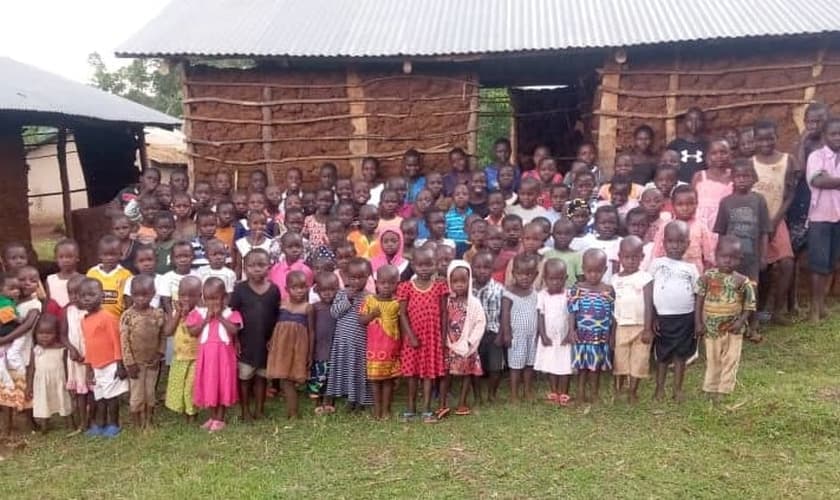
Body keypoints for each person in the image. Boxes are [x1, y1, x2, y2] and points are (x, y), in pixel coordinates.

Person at [714, 162, 771, 340]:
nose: (742, 180)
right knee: (731, 290)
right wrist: (719, 256)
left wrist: (764, 256)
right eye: (738, 176)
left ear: (754, 178)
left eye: (746, 176)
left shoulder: (759, 200)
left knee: (751, 290)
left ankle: (753, 325)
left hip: (752, 257)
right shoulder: (726, 202)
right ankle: (730, 324)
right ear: (732, 178)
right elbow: (721, 233)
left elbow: (765, 231)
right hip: (730, 259)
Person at [695, 236, 756, 401]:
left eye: (733, 257)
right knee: (713, 358)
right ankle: (710, 387)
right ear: (716, 255)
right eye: (724, 256)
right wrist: (698, 322)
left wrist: (741, 322)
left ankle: (724, 389)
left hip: (733, 328)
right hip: (711, 328)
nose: (728, 260)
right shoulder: (707, 277)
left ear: (740, 259)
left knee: (731, 358)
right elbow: (699, 300)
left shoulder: (742, 281)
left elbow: (749, 305)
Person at [751, 120, 796, 325]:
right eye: (761, 139)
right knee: (762, 267)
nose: (766, 143)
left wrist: (776, 219)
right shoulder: (751, 163)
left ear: (777, 137)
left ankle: (777, 311)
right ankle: (757, 310)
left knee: (787, 262)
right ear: (755, 140)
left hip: (777, 220)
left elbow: (790, 193)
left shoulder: (787, 160)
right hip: (755, 224)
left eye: (770, 138)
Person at [650, 221, 699, 402]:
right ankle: (659, 388)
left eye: (680, 242)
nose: (675, 246)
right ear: (664, 243)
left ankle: (677, 389)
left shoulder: (691, 269)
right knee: (662, 355)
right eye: (671, 241)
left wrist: (697, 321)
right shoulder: (657, 264)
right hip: (663, 318)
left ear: (687, 244)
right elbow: (649, 292)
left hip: (685, 318)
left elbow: (698, 295)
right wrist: (653, 317)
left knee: (680, 355)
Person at [397, 247, 448, 422]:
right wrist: (410, 336)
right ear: (413, 265)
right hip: (412, 338)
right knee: (412, 375)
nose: (424, 269)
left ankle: (426, 409)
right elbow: (402, 314)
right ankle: (411, 408)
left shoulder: (440, 287)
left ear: (435, 264)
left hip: (432, 338)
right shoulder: (406, 287)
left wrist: (443, 337)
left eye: (429, 264)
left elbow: (444, 313)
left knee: (428, 374)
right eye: (420, 265)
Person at [189, 277, 242, 432]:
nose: (211, 303)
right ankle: (212, 416)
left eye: (215, 299)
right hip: (206, 359)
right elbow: (193, 332)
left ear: (224, 298)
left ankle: (220, 418)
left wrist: (219, 317)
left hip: (224, 358)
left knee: (222, 384)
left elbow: (234, 330)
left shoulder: (230, 313)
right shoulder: (199, 314)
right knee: (210, 384)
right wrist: (206, 320)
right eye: (208, 299)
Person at [79, 278, 128, 437]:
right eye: (83, 295)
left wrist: (120, 365)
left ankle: (114, 424)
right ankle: (101, 423)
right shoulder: (84, 320)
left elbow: (116, 341)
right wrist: (88, 368)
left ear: (102, 296)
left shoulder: (108, 317)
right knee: (99, 397)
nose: (87, 299)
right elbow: (88, 345)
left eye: (91, 295)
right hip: (96, 365)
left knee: (111, 397)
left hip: (110, 363)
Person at [567, 249, 615, 403]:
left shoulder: (608, 290)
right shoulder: (577, 289)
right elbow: (572, 311)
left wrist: (612, 334)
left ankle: (594, 393)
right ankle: (580, 393)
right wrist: (571, 330)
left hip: (600, 336)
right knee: (582, 367)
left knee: (596, 367)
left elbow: (613, 314)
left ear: (605, 270)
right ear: (583, 269)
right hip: (582, 334)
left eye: (598, 271)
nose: (593, 275)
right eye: (589, 271)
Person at [438, 261, 485, 418]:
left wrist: (471, 341)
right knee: (446, 375)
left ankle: (462, 402)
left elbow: (480, 322)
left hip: (467, 346)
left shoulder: (474, 303)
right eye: (455, 281)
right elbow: (441, 321)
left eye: (463, 281)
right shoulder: (447, 301)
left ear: (469, 281)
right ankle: (442, 404)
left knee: (467, 374)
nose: (459, 285)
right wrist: (444, 340)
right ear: (449, 282)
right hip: (449, 345)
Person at [120, 274, 167, 429]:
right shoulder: (127, 316)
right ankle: (137, 424)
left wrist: (159, 354)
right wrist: (129, 363)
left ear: (153, 294)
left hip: (153, 361)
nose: (140, 299)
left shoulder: (158, 314)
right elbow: (124, 341)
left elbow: (162, 336)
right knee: (136, 394)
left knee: (150, 393)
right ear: (131, 294)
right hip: (136, 363)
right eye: (136, 295)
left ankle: (149, 421)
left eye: (145, 295)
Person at [326, 258, 373, 411]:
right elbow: (334, 313)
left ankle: (359, 400)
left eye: (361, 277)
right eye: (353, 278)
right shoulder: (342, 294)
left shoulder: (370, 297)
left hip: (360, 343)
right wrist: (348, 299)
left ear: (368, 276)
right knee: (344, 369)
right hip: (343, 341)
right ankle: (346, 397)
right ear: (347, 277)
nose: (356, 281)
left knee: (359, 371)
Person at [611, 236, 653, 403]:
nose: (630, 261)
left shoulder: (645, 278)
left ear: (642, 257)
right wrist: (612, 333)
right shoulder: (615, 279)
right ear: (620, 257)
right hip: (621, 326)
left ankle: (633, 392)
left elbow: (649, 305)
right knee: (620, 359)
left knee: (639, 360)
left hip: (641, 326)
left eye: (635, 257)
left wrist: (648, 329)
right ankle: (618, 390)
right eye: (626, 257)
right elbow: (613, 307)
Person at [806, 117, 840, 323]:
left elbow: (827, 181)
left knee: (830, 263)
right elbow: (817, 181)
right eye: (833, 134)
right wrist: (827, 181)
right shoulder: (816, 156)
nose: (838, 137)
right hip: (819, 217)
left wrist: (831, 181)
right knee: (818, 265)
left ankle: (822, 305)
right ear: (825, 136)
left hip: (838, 218)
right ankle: (814, 309)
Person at [266, 271, 313, 419]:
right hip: (281, 347)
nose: (299, 291)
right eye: (295, 288)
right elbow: (276, 325)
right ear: (287, 289)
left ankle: (293, 412)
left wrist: (310, 353)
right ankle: (292, 412)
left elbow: (311, 331)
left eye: (302, 287)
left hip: (299, 348)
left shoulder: (308, 308)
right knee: (285, 380)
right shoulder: (282, 305)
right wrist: (271, 339)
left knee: (292, 379)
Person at [359, 265, 402, 420]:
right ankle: (377, 409)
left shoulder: (397, 303)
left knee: (388, 380)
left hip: (391, 347)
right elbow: (361, 320)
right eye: (383, 283)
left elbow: (401, 325)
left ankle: (386, 409)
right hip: (374, 348)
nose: (386, 286)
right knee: (375, 380)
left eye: (391, 283)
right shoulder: (369, 300)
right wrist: (372, 315)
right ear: (376, 283)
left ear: (397, 284)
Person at [501, 253, 540, 403]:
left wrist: (539, 333)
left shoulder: (535, 294)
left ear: (536, 274)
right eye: (520, 274)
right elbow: (505, 315)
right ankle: (514, 394)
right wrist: (507, 334)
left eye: (529, 274)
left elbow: (538, 313)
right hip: (516, 337)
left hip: (532, 336)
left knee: (529, 364)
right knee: (516, 366)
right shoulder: (509, 294)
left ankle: (527, 391)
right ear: (513, 273)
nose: (524, 277)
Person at [652, 185, 715, 274]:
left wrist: (704, 277)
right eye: (680, 204)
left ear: (696, 203)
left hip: (694, 275)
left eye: (690, 204)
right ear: (673, 205)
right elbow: (657, 254)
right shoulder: (666, 226)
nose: (685, 208)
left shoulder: (701, 227)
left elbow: (709, 257)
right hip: (669, 273)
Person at [535, 258, 572, 405]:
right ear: (545, 279)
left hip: (564, 338)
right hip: (549, 337)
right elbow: (540, 315)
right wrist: (543, 335)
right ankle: (554, 391)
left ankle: (564, 392)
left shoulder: (569, 295)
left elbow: (571, 315)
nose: (555, 282)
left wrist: (570, 333)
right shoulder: (542, 295)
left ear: (566, 278)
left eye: (559, 279)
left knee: (564, 365)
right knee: (551, 364)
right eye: (551, 279)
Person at [164, 276, 202, 422]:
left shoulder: (200, 313)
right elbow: (168, 331)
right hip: (179, 357)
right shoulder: (176, 312)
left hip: (196, 357)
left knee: (191, 387)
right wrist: (178, 315)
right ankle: (183, 410)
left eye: (191, 295)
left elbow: (195, 332)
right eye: (182, 295)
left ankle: (192, 415)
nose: (186, 299)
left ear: (199, 296)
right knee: (179, 385)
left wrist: (187, 316)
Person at [27, 315, 72, 432]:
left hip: (59, 380)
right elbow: (31, 369)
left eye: (49, 333)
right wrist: (29, 386)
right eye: (40, 333)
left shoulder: (61, 349)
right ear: (35, 334)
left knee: (64, 401)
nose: (44, 336)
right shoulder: (35, 350)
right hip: (41, 382)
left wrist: (69, 381)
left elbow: (67, 367)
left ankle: (70, 424)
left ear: (56, 334)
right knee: (43, 402)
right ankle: (44, 426)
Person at [470, 251, 504, 404]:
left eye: (486, 267)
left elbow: (504, 313)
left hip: (493, 333)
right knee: (474, 366)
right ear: (472, 268)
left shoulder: (499, 289)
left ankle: (491, 394)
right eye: (478, 267)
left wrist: (501, 334)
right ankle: (477, 395)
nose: (482, 271)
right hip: (473, 334)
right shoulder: (467, 289)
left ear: (492, 269)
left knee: (495, 367)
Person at [60, 275, 89, 433]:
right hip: (76, 357)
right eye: (71, 293)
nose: (75, 297)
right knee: (80, 392)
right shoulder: (67, 311)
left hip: (91, 356)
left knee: (93, 390)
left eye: (79, 293)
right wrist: (71, 349)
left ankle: (95, 419)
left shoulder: (91, 311)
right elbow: (63, 335)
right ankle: (82, 422)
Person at [692, 139, 733, 249]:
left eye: (723, 152)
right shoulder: (699, 176)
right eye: (714, 153)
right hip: (702, 224)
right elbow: (691, 201)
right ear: (707, 156)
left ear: (730, 154)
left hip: (727, 224)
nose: (719, 156)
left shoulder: (734, 176)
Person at [86, 235, 133, 318]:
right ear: (100, 255)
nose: (109, 258)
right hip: (96, 318)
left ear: (120, 254)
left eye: (113, 254)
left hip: (117, 319)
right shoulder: (92, 273)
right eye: (105, 255)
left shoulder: (126, 275)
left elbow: (129, 302)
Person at [310, 272, 338, 413]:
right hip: (319, 349)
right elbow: (310, 329)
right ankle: (317, 402)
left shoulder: (338, 308)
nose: (327, 293)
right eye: (323, 290)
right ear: (317, 290)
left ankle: (329, 401)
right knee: (317, 378)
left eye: (331, 290)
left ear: (337, 290)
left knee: (331, 377)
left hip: (334, 349)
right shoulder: (314, 307)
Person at [667, 107, 708, 183]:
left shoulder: (707, 146)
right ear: (685, 122)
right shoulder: (675, 145)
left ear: (703, 122)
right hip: (679, 186)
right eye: (690, 120)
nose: (694, 124)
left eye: (698, 120)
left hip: (702, 185)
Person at [269, 232, 313, 301]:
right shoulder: (275, 269)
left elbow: (307, 294)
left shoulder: (306, 270)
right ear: (282, 248)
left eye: (298, 246)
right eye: (290, 247)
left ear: (302, 248)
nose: (294, 250)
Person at [234, 211, 273, 280]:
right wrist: (237, 280)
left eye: (263, 223)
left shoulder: (271, 243)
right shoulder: (241, 243)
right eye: (255, 223)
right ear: (248, 225)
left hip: (265, 282)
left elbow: (272, 267)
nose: (259, 226)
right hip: (246, 282)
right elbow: (239, 266)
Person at [544, 218, 583, 286]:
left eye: (567, 234)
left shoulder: (577, 256)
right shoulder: (546, 254)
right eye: (559, 233)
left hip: (570, 291)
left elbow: (581, 279)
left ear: (573, 235)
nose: (563, 237)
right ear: (552, 235)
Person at [46, 239, 81, 308]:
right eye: (61, 257)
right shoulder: (51, 279)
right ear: (56, 259)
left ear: (77, 258)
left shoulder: (82, 280)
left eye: (69, 257)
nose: (65, 260)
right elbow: (48, 302)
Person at [445, 184, 473, 256]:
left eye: (464, 194)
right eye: (457, 194)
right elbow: (445, 234)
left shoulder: (473, 215)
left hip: (468, 248)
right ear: (453, 198)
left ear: (470, 197)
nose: (461, 197)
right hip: (452, 249)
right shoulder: (448, 216)